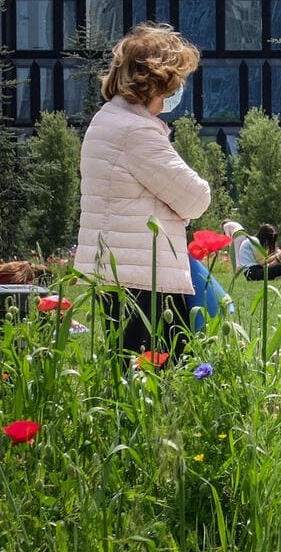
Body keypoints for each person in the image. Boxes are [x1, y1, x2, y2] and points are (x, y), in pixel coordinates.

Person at [74, 22, 211, 357]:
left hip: (121, 271)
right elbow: (195, 198)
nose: (180, 86)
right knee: (156, 374)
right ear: (159, 79)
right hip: (145, 278)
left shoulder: (109, 120)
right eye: (178, 77)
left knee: (129, 372)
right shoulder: (136, 131)